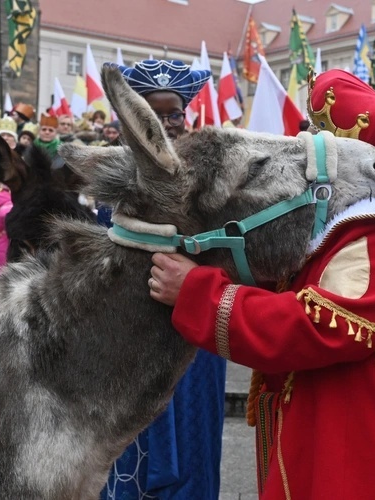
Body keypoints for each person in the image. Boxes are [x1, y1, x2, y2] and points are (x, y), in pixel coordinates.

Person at [147, 68, 375, 499]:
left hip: (368, 446)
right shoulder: (347, 221)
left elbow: (322, 324)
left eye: (319, 146)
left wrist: (198, 293)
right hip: (350, 421)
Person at [99, 59, 226, 500]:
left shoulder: (214, 182)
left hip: (195, 334)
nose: (167, 124)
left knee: (194, 447)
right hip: (126, 337)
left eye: (175, 114)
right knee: (126, 447)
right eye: (155, 114)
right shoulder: (111, 177)